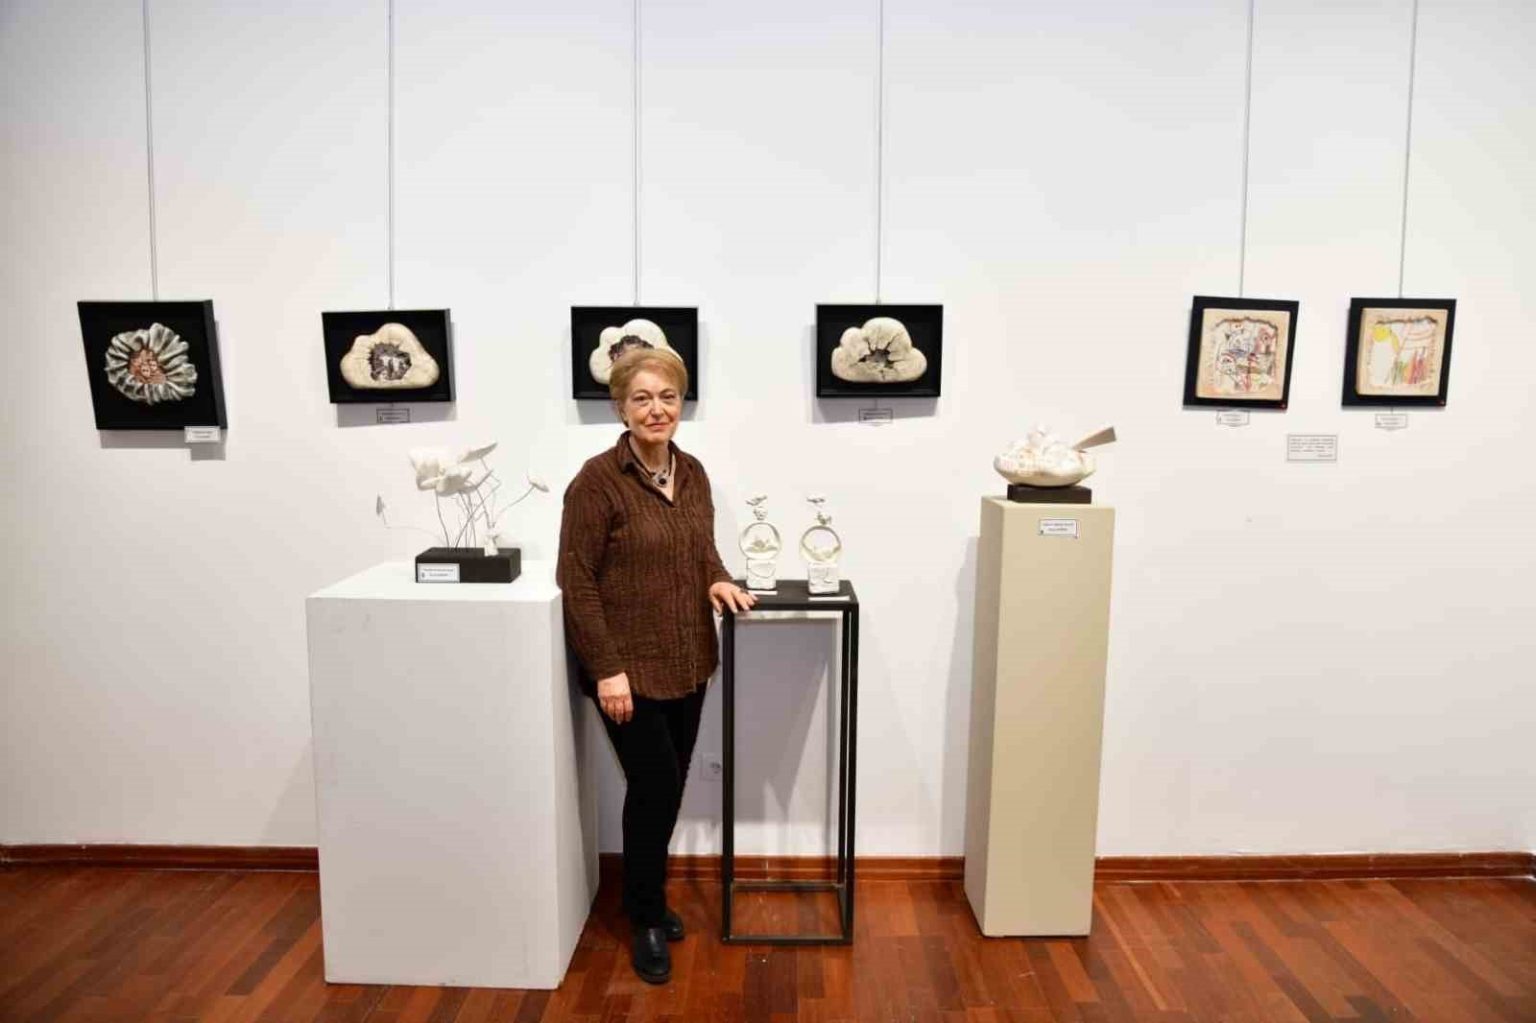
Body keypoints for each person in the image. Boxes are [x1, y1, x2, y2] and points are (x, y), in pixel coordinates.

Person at [556, 346, 756, 984]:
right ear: (620, 408)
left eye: (667, 397)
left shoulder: (692, 472)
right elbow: (577, 582)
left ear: (681, 404)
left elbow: (702, 548)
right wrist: (606, 669)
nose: (656, 409)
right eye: (641, 398)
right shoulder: (596, 482)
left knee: (665, 789)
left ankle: (645, 896)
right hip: (626, 672)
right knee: (655, 789)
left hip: (690, 659)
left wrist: (718, 578)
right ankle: (643, 915)